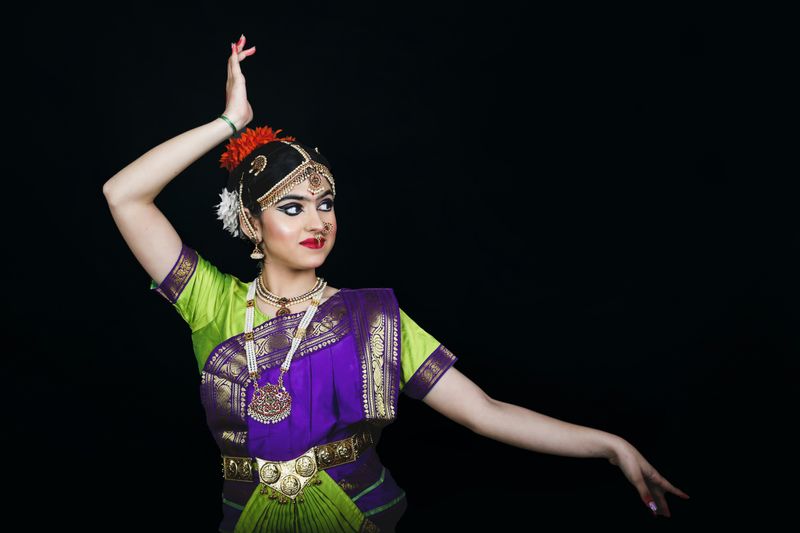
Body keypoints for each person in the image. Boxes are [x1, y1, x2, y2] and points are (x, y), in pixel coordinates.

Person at [103, 34, 690, 533]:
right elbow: (123, 195)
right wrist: (231, 122)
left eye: (325, 203)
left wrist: (612, 446)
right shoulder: (211, 302)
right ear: (252, 223)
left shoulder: (372, 320)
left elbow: (485, 412)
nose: (318, 221)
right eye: (292, 207)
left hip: (360, 517)